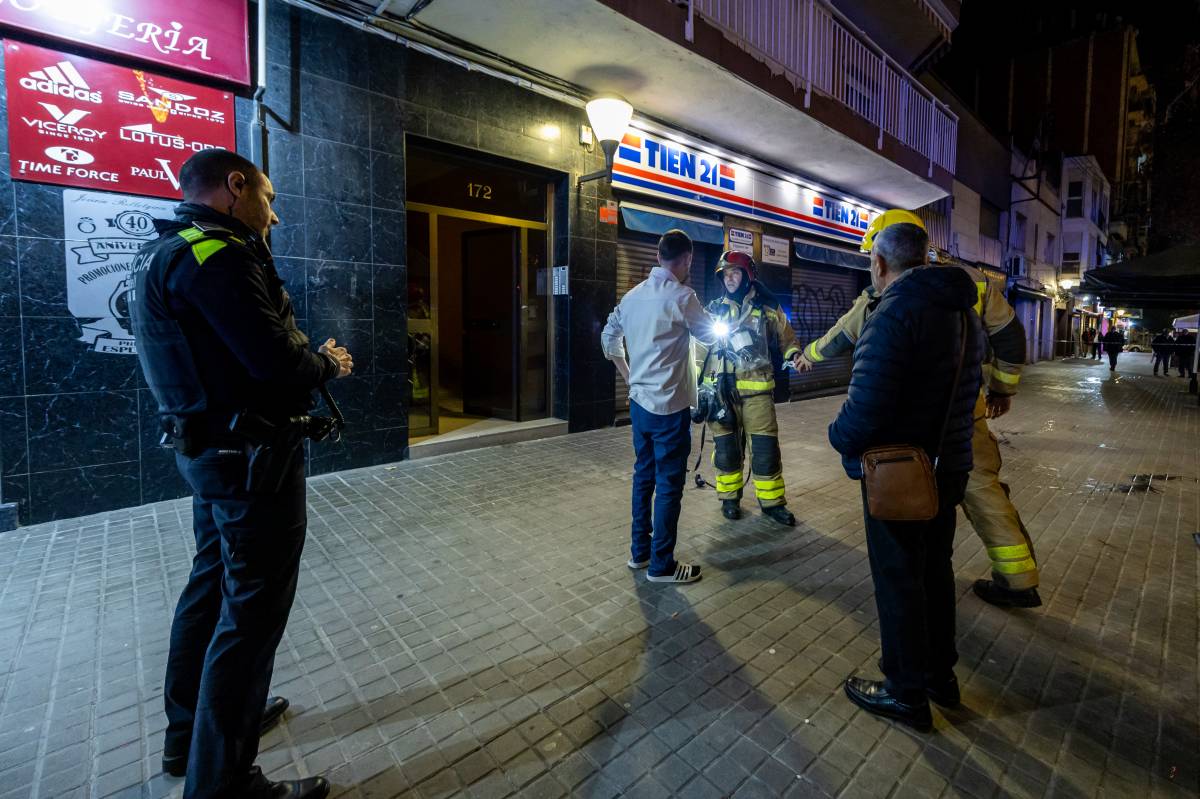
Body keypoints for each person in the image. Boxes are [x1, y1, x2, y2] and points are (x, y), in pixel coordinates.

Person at [130, 149, 351, 799]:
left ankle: (188, 736)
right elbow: (276, 360)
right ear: (235, 186)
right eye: (268, 199)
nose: (273, 216)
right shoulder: (220, 254)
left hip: (210, 453)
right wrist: (328, 363)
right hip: (252, 460)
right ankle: (224, 782)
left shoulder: (165, 249)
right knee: (251, 616)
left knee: (211, 585)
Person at [799, 210, 1041, 608]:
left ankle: (915, 603)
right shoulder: (970, 283)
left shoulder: (883, 296)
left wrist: (807, 357)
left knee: (906, 520)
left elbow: (841, 337)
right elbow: (1011, 334)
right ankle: (1018, 580)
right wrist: (1002, 390)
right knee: (981, 492)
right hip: (963, 415)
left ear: (882, 257)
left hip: (908, 426)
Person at [828, 222, 986, 731]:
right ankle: (940, 676)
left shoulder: (894, 313)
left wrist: (837, 436)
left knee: (898, 579)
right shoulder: (964, 313)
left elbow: (866, 408)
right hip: (951, 464)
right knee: (935, 572)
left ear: (879, 264)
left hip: (902, 473)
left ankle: (905, 692)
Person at [601, 229, 716, 583]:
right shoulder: (683, 297)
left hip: (639, 405)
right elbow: (709, 334)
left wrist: (630, 375)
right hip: (670, 408)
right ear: (688, 259)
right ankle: (661, 565)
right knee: (668, 485)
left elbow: (608, 337)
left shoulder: (632, 297)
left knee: (643, 478)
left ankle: (640, 554)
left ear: (657, 256)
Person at [696, 250, 802, 526]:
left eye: (735, 273)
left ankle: (773, 503)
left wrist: (793, 355)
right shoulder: (713, 309)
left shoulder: (767, 306)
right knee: (726, 449)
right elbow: (698, 351)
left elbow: (787, 337)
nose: (730, 279)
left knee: (765, 450)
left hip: (757, 392)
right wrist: (696, 391)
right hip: (721, 394)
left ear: (747, 275)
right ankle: (729, 500)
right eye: (725, 275)